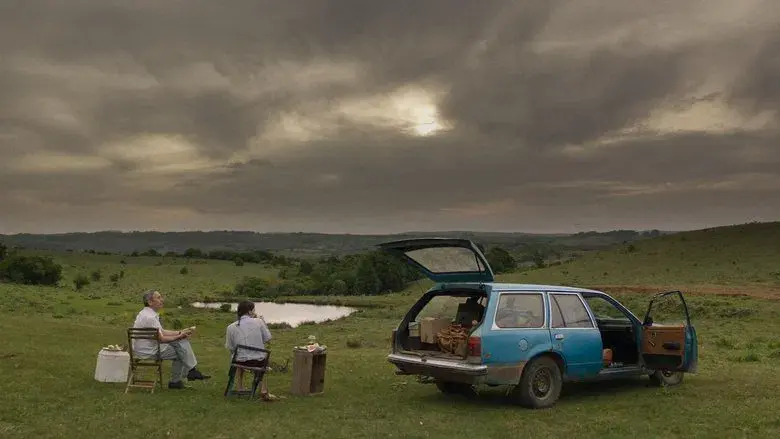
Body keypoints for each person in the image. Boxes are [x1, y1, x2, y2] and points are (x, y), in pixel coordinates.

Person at [132, 289, 211, 389]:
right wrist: (179, 336)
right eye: (158, 298)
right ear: (150, 302)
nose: (162, 300)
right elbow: (161, 339)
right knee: (180, 350)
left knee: (181, 343)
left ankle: (189, 372)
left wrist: (180, 332)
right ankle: (181, 377)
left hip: (143, 348)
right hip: (148, 351)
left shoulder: (145, 314)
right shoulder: (150, 318)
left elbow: (162, 332)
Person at [225, 301, 279, 401]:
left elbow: (230, 347)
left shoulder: (231, 327)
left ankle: (240, 387)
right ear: (250, 312)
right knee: (262, 360)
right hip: (258, 361)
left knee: (238, 357)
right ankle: (263, 389)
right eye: (254, 310)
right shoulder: (258, 321)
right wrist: (263, 322)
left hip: (239, 361)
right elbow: (268, 338)